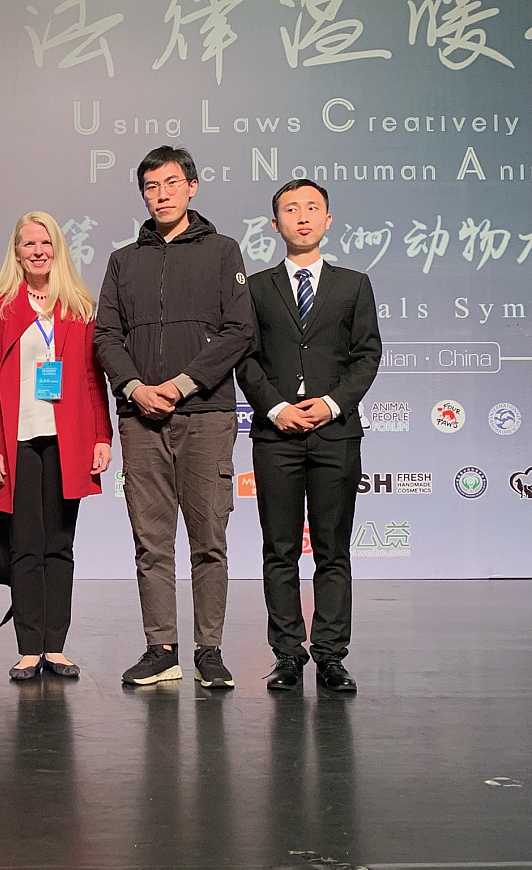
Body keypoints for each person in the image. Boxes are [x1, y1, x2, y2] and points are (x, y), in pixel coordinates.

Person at [94, 145, 253, 689]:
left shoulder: (223, 250)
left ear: (192, 186)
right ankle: (161, 648)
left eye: (170, 183)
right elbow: (106, 335)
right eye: (150, 187)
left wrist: (182, 385)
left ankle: (209, 650)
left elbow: (239, 331)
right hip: (141, 419)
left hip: (205, 413)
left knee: (209, 539)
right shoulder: (124, 260)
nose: (160, 195)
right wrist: (137, 388)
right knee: (151, 542)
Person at [236, 180, 382, 693]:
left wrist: (331, 403)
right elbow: (244, 357)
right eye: (290, 210)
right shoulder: (254, 288)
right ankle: (287, 654)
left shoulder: (353, 284)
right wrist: (276, 407)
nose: (302, 217)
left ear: (328, 219)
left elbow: (367, 355)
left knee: (332, 549)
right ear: (274, 224)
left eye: (312, 208)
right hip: (276, 435)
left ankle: (331, 655)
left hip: (335, 433)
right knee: (278, 549)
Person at [0, 211, 112, 680]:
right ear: (16, 252)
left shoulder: (78, 308)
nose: (38, 251)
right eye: (28, 244)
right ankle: (28, 647)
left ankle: (56, 646)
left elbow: (95, 381)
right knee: (24, 545)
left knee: (59, 544)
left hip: (65, 440)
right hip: (16, 442)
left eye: (46, 243)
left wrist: (101, 436)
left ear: (58, 249)